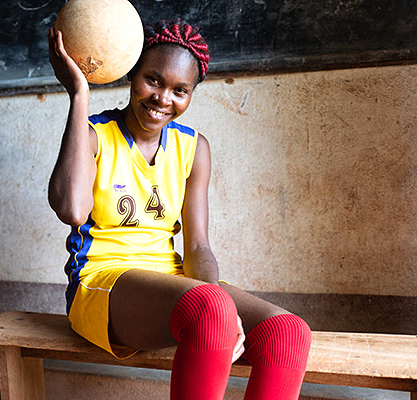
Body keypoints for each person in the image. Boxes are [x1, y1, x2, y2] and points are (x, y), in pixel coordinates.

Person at [47, 19, 311, 400]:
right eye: (153, 80)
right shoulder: (93, 136)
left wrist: (220, 314)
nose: (162, 99)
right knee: (211, 308)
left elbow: (199, 248)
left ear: (191, 95)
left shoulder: (194, 149)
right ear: (132, 74)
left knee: (287, 333)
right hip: (101, 282)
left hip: (175, 285)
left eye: (180, 90)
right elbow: (72, 209)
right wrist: (79, 95)